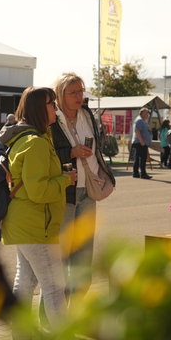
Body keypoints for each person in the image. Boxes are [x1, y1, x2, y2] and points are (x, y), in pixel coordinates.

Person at [0, 86, 75, 333]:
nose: (56, 108)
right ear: (38, 110)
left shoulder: (25, 138)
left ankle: (20, 338)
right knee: (54, 286)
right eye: (52, 104)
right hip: (36, 226)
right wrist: (66, 180)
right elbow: (39, 192)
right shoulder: (35, 143)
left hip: (24, 224)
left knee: (26, 281)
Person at [50, 72, 116, 302]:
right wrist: (71, 152)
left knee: (84, 258)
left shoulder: (86, 114)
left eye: (81, 91)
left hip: (88, 189)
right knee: (62, 257)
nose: (80, 96)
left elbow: (97, 146)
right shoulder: (51, 118)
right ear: (60, 94)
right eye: (73, 92)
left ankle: (76, 311)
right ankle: (55, 316)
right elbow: (45, 154)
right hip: (64, 192)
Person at [131, 107, 153, 179]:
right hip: (140, 142)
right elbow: (137, 131)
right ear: (142, 113)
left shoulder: (142, 120)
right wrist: (142, 141)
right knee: (142, 158)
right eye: (146, 113)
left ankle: (136, 173)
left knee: (138, 158)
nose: (148, 115)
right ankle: (143, 173)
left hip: (140, 142)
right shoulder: (140, 120)